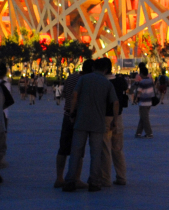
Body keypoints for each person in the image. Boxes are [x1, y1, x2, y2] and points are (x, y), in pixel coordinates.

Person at [64, 57, 118, 192]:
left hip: (81, 120)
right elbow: (115, 102)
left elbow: (74, 95)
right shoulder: (107, 83)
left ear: (93, 68)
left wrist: (72, 112)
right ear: (105, 70)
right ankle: (95, 182)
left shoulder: (83, 79)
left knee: (75, 152)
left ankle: (70, 181)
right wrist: (114, 120)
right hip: (98, 123)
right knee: (96, 154)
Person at [55, 60, 85, 189]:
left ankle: (59, 178)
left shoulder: (71, 77)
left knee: (63, 148)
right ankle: (76, 178)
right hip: (79, 116)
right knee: (79, 149)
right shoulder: (85, 80)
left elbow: (65, 93)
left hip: (67, 115)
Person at [99, 58, 128, 186]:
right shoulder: (121, 81)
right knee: (118, 149)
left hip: (105, 118)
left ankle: (105, 179)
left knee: (105, 149)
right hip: (119, 117)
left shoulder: (102, 83)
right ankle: (121, 177)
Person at [133, 63, 155, 138]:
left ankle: (149, 133)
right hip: (149, 101)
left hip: (143, 102)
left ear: (141, 73)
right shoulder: (150, 80)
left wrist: (136, 99)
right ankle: (138, 133)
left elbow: (139, 92)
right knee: (143, 117)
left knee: (145, 119)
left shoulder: (142, 82)